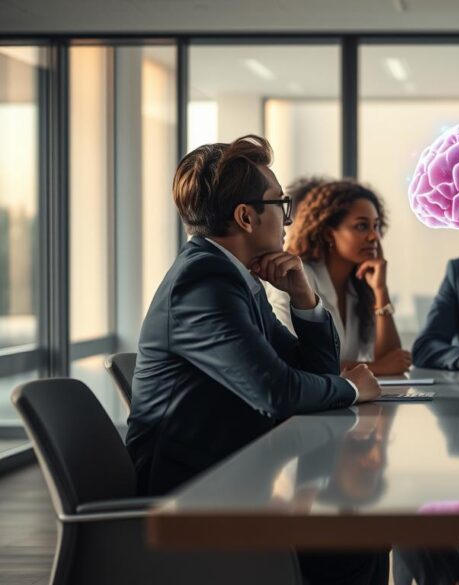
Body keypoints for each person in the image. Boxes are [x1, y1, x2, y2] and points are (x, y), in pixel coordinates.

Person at [125, 135, 387, 584]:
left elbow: (309, 373)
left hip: (229, 479)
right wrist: (351, 388)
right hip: (190, 501)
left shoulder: (234, 276)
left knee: (360, 532)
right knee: (356, 541)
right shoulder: (203, 283)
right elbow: (276, 393)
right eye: (280, 204)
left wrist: (304, 297)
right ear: (246, 216)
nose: (287, 220)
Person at [267, 179, 411, 375]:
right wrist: (377, 368)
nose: (374, 237)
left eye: (375, 226)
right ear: (328, 233)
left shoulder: (359, 285)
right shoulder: (296, 277)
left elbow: (394, 361)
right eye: (361, 226)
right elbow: (296, 361)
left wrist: (380, 291)